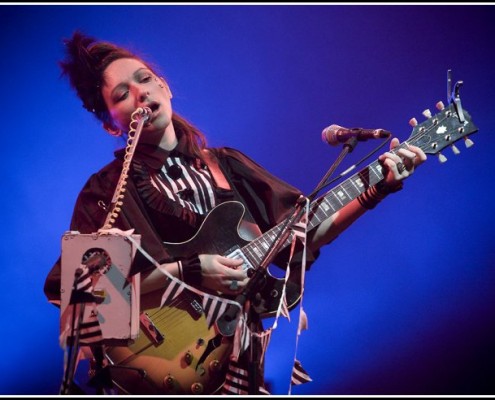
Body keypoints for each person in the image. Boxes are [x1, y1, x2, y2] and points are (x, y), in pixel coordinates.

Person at [44, 31, 427, 396]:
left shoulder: (226, 164)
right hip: (156, 364)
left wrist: (377, 188)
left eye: (145, 79)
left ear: (166, 86)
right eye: (122, 95)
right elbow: (84, 309)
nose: (140, 93)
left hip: (239, 353)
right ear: (112, 124)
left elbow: (304, 233)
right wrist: (188, 271)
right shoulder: (104, 193)